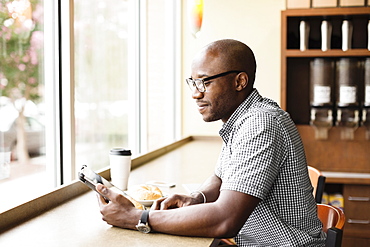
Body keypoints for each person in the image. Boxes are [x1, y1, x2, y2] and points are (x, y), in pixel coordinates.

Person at [96, 39, 326, 246]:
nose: (196, 94)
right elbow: (222, 177)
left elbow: (225, 220)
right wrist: (197, 197)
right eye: (193, 83)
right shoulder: (243, 119)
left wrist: (137, 218)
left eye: (205, 82)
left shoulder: (260, 123)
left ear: (240, 81)